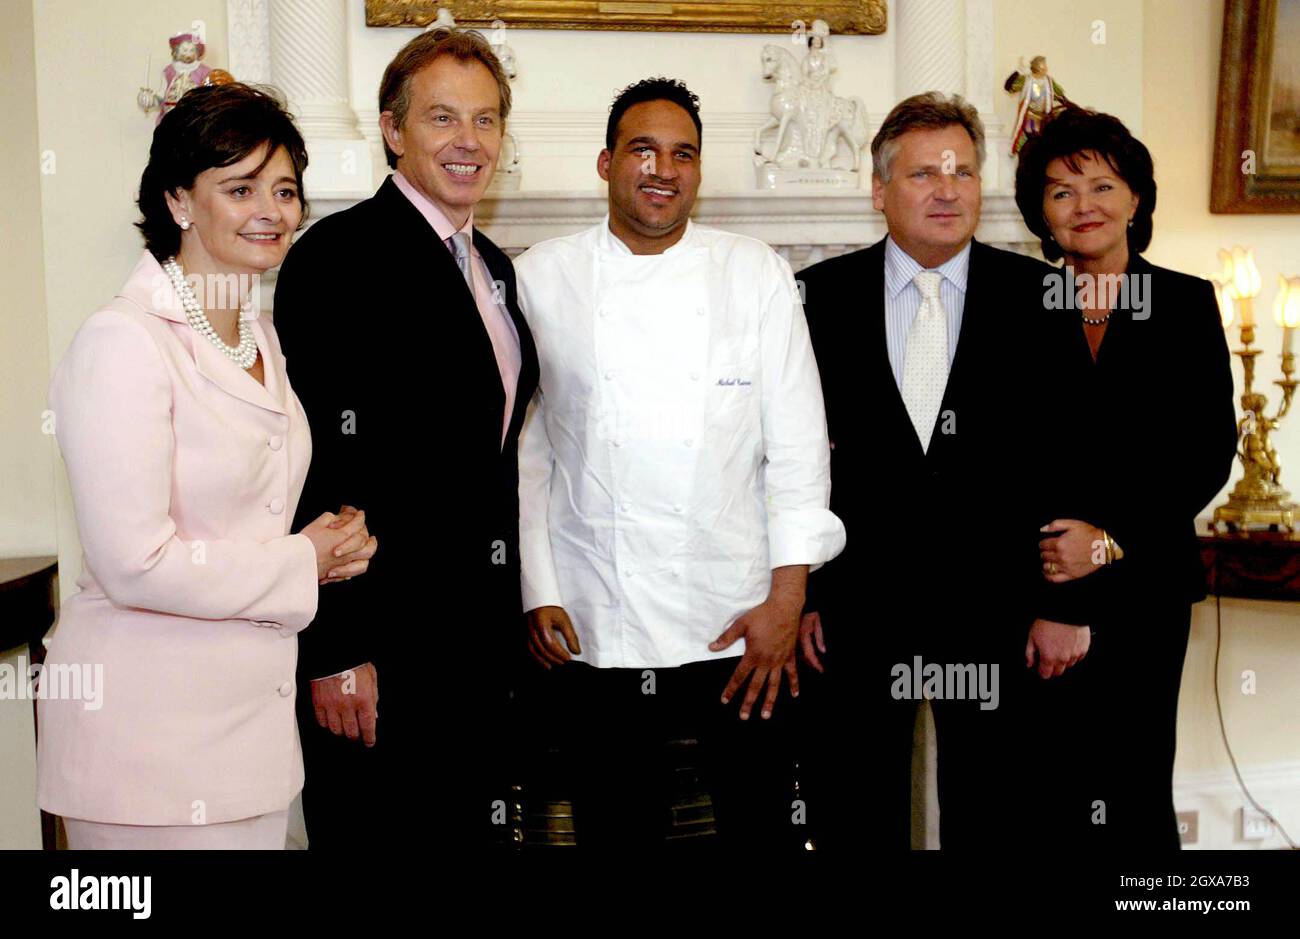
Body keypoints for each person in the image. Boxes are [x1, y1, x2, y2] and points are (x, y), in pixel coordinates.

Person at [38, 83, 376, 849]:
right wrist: (302, 559)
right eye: (241, 187)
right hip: (147, 748)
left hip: (251, 739)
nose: (273, 209)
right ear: (179, 201)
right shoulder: (122, 341)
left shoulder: (260, 338)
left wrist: (332, 544)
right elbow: (134, 561)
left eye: (285, 189)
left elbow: (249, 509)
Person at [515, 77, 845, 849]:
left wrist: (786, 601)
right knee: (614, 829)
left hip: (736, 619)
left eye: (683, 154)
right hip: (597, 610)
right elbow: (528, 452)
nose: (663, 168)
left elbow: (798, 447)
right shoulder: (539, 276)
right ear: (605, 163)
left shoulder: (755, 271)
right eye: (642, 149)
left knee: (758, 825)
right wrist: (538, 586)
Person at [796, 91, 1086, 851]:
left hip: (1002, 613)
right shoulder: (816, 300)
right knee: (855, 816)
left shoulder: (1042, 296)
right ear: (880, 189)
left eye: (962, 171)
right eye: (924, 173)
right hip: (853, 615)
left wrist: (1065, 603)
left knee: (997, 821)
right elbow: (788, 459)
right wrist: (802, 591)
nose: (948, 189)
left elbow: (1073, 458)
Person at [275, 28, 539, 850]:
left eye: (487, 120)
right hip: (379, 654)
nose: (469, 142)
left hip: (476, 653)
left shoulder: (493, 265)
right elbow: (318, 465)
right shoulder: (338, 256)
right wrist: (337, 649)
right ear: (393, 129)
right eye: (443, 118)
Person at [1013, 106, 1237, 848]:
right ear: (1040, 213)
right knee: (1047, 797)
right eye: (1061, 192)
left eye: (1102, 186)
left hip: (1145, 594)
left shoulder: (1184, 301)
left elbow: (1205, 452)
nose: (1085, 207)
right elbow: (1004, 466)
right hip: (1036, 596)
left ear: (1135, 199)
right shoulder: (1017, 310)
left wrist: (1107, 544)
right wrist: (1058, 598)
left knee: (1136, 791)